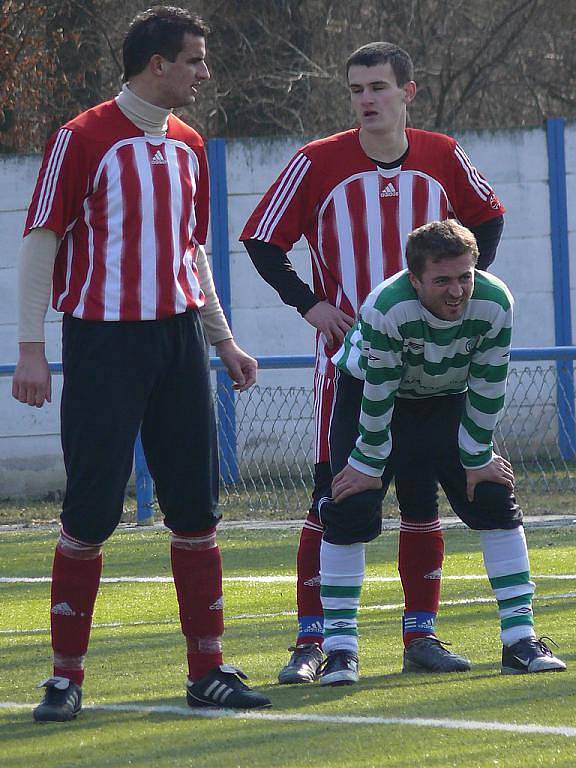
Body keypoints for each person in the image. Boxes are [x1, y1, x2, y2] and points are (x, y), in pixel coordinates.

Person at [12, 6, 271, 721]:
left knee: (196, 511)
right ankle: (65, 679)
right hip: (104, 344)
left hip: (179, 338)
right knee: (90, 512)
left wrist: (222, 340)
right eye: (194, 59)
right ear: (156, 64)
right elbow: (41, 240)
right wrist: (29, 347)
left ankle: (208, 671)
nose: (205, 72)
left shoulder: (189, 142)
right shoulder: (82, 137)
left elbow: (191, 252)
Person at [241, 42, 505, 682]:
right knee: (333, 495)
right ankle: (314, 642)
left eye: (379, 87)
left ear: (407, 92)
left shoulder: (442, 156)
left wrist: (457, 302)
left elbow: (487, 217)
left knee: (421, 500)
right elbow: (261, 238)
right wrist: (310, 306)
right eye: (357, 88)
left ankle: (421, 635)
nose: (366, 99)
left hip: (431, 370)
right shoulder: (317, 162)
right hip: (350, 368)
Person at [316, 218, 566, 684]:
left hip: (446, 398)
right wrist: (368, 464)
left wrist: (478, 457)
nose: (457, 292)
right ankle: (340, 650)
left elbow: (489, 385)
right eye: (442, 280)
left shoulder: (495, 302)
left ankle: (519, 638)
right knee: (352, 505)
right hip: (371, 395)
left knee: (492, 496)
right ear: (415, 279)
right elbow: (379, 393)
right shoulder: (386, 307)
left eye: (465, 277)